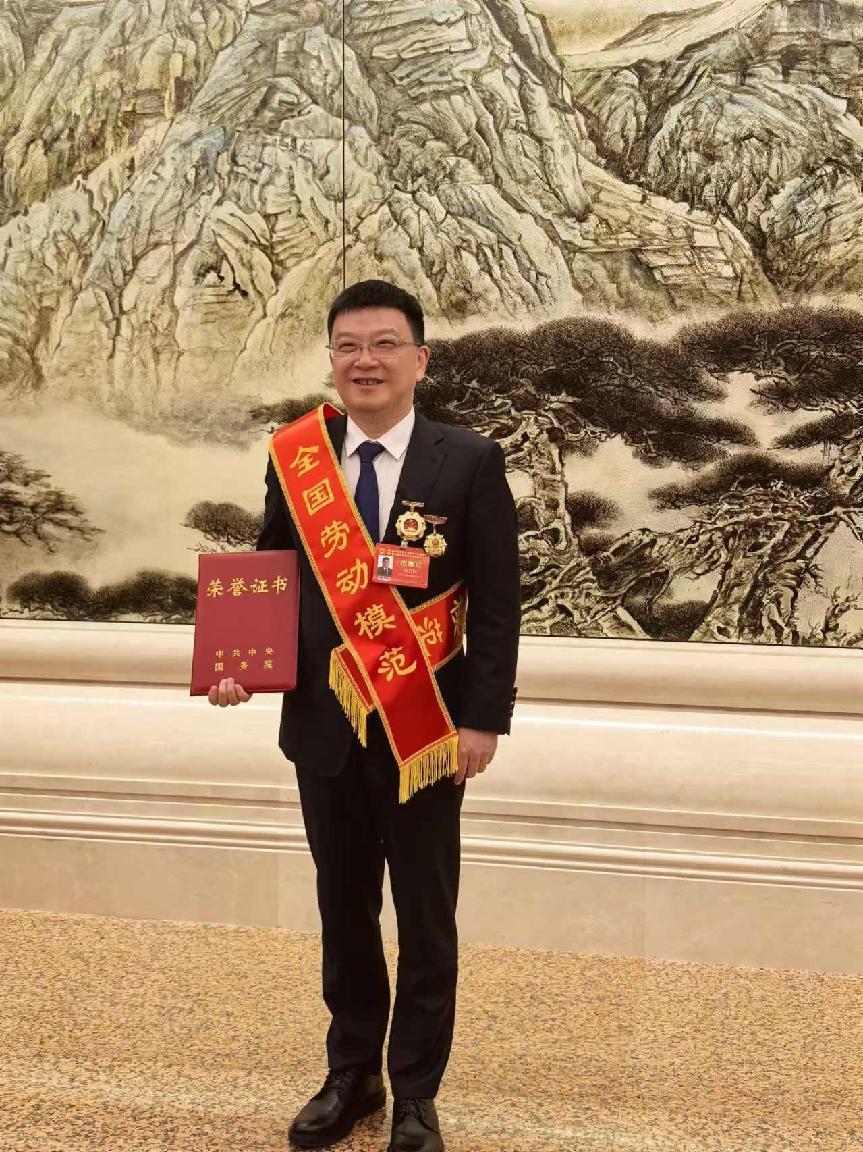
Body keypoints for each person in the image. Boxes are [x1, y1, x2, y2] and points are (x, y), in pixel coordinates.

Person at [209, 279, 520, 1152]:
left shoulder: (468, 460)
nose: (365, 361)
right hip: (324, 726)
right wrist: (240, 666)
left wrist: (483, 720)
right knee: (343, 910)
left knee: (424, 916)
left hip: (425, 729)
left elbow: (498, 605)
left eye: (384, 344)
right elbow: (272, 573)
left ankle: (416, 1092)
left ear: (419, 359)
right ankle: (352, 1073)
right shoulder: (296, 458)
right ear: (331, 360)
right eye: (347, 346)